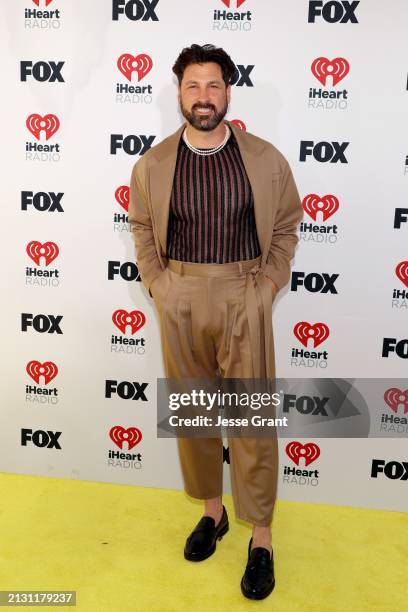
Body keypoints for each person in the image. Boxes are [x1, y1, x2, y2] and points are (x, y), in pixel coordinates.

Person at [128, 43, 303, 600]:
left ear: (229, 91)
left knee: (252, 421)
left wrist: (267, 286)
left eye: (213, 86)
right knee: (195, 416)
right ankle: (213, 512)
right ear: (178, 93)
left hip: (244, 293)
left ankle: (262, 538)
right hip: (179, 296)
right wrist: (160, 286)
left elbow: (286, 228)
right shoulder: (152, 164)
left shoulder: (265, 158)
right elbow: (139, 230)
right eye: (192, 86)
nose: (203, 98)